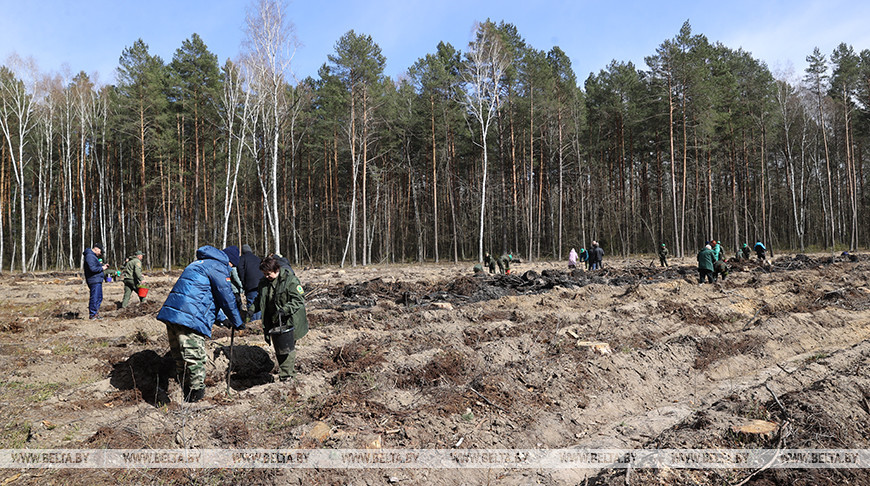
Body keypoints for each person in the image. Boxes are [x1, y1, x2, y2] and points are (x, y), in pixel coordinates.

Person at [156, 245, 244, 403]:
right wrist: (238, 321)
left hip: (173, 313)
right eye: (233, 267)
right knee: (194, 358)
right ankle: (197, 399)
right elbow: (226, 297)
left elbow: (205, 295)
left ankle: (185, 395)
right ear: (230, 263)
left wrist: (223, 319)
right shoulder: (218, 267)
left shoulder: (198, 264)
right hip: (190, 317)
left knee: (180, 358)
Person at [252, 255, 308, 382]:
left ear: (276, 270)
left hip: (290, 319)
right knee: (279, 347)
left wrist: (285, 309)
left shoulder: (290, 280)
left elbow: (299, 300)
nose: (266, 276)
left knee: (287, 347)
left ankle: (287, 376)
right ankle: (286, 373)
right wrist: (251, 310)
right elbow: (260, 299)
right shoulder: (264, 283)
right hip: (275, 319)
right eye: (264, 274)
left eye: (268, 274)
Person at [238, 244, 264, 321]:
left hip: (250, 285)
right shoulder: (257, 259)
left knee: (252, 304)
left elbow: (241, 272)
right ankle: (260, 322)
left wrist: (243, 283)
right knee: (259, 303)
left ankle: (253, 323)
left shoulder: (242, 259)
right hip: (261, 284)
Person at [83, 243, 110, 319]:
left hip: (96, 280)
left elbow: (94, 267)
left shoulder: (92, 256)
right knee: (95, 297)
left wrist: (101, 265)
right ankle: (92, 314)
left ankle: (95, 313)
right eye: (100, 251)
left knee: (99, 297)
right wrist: (102, 268)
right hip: (94, 280)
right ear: (96, 249)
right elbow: (92, 269)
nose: (100, 254)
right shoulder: (90, 256)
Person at [223, 246, 245, 315]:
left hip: (229, 289)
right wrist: (241, 286)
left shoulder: (225, 267)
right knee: (236, 305)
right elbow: (236, 278)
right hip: (234, 289)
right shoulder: (233, 268)